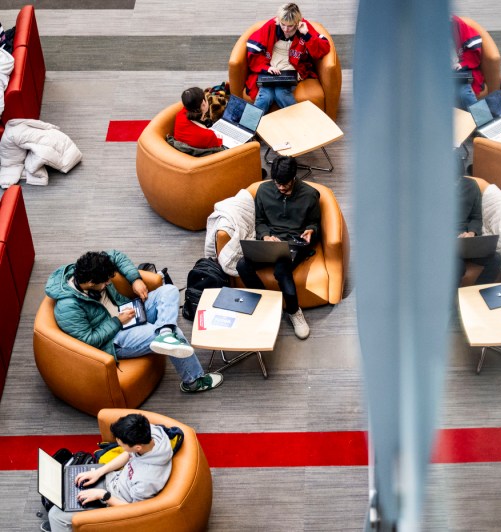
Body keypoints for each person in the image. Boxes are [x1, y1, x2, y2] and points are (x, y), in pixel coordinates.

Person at [45, 250, 223, 393]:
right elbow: (89, 341)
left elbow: (116, 256)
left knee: (169, 290)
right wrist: (117, 322)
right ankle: (193, 381)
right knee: (178, 333)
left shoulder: (92, 266)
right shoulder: (68, 307)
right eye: (105, 282)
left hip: (129, 311)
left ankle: (165, 332)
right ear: (91, 283)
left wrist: (135, 280)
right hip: (115, 338)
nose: (109, 283)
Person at [43, 414, 175, 532]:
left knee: (55, 515)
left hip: (114, 501)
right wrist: (99, 472)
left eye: (122, 445)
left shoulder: (147, 480)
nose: (120, 447)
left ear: (137, 447)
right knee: (69, 480)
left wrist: (103, 495)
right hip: (113, 480)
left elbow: (134, 513)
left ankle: (61, 523)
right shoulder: (153, 433)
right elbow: (128, 454)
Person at [236, 156, 320, 339]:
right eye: (277, 183)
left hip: (293, 242)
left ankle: (294, 311)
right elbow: (260, 221)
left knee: (282, 271)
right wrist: (265, 236)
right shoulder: (264, 190)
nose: (281, 188)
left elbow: (314, 222)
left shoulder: (310, 194)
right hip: (269, 241)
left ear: (294, 178)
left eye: (286, 184)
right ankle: (267, 303)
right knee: (242, 265)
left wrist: (310, 231)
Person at [245, 3, 330, 112]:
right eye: (283, 24)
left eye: (290, 26)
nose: (286, 29)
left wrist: (306, 35)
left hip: (291, 68)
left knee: (281, 93)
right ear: (278, 20)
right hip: (271, 67)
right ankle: (246, 126)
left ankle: (301, 124)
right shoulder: (272, 25)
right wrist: (266, 68)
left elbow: (323, 49)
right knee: (265, 96)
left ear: (297, 23)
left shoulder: (304, 27)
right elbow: (253, 47)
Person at [457, 176, 501, 285]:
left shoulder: (471, 185)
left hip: (467, 240)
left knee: (496, 260)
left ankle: (477, 294)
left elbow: (477, 216)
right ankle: (452, 301)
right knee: (457, 268)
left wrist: (472, 233)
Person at [451, 15, 484, 110]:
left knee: (463, 94)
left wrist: (462, 64)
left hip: (457, 71)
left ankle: (485, 120)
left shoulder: (455, 23)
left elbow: (474, 47)